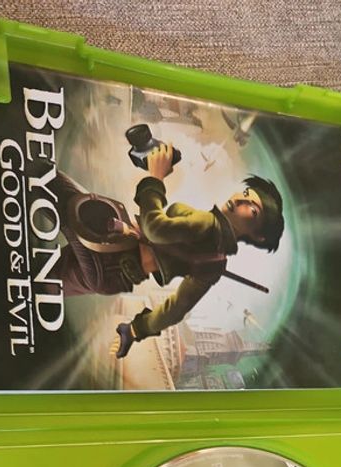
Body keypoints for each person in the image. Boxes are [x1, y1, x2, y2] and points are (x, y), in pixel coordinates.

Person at [49, 143, 285, 358]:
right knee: (43, 282)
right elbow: (175, 310)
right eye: (246, 194)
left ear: (258, 236)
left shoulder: (209, 225)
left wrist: (156, 177)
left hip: (111, 249)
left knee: (43, 177)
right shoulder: (216, 264)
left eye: (253, 210)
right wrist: (134, 330)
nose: (241, 201)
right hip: (111, 276)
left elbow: (155, 229)